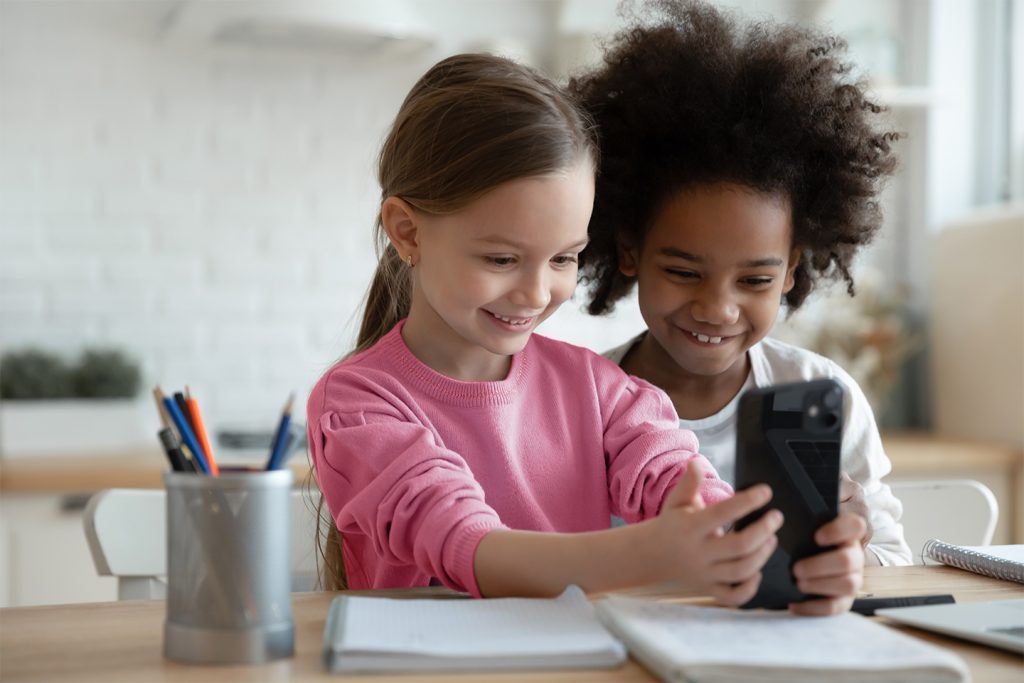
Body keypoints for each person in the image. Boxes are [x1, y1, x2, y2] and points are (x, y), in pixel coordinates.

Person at [307, 52, 862, 609]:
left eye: (563, 259)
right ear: (408, 233)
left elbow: (674, 476)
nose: (535, 293)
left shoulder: (598, 389)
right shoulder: (356, 405)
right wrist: (655, 553)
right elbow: (468, 548)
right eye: (501, 259)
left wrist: (766, 554)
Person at [573, 0, 912, 567]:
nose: (718, 308)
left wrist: (853, 554)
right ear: (630, 251)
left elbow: (894, 563)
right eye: (684, 272)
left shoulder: (821, 395)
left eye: (754, 279)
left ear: (792, 269)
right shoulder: (579, 403)